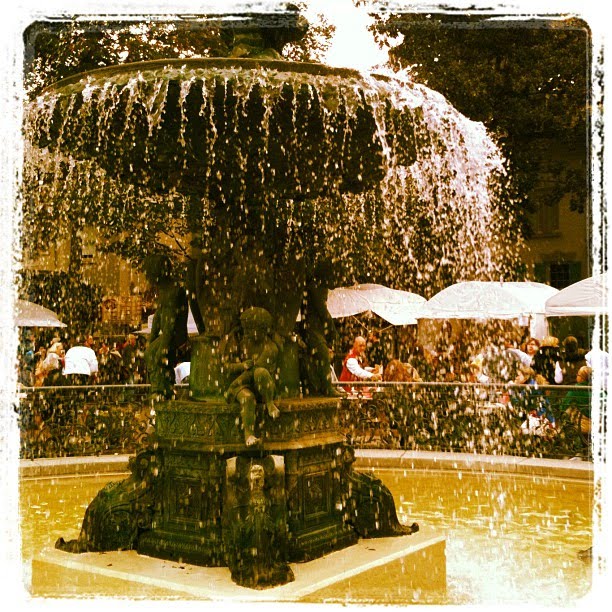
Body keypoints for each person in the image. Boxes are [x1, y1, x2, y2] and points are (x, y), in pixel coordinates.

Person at [224, 307, 280, 447]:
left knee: (260, 372)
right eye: (245, 330)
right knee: (247, 398)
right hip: (244, 386)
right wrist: (241, 366)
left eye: (250, 330)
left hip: (263, 386)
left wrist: (235, 383)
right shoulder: (242, 344)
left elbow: (254, 371)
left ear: (262, 330)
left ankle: (269, 402)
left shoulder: (270, 348)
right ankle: (248, 435)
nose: (247, 334)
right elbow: (226, 367)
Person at [561, 365, 592, 435]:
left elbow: (565, 404)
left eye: (578, 375)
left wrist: (561, 411)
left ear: (582, 378)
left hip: (584, 425)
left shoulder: (576, 389)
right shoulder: (596, 387)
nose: (576, 376)